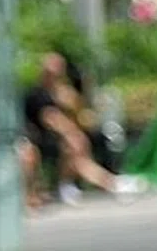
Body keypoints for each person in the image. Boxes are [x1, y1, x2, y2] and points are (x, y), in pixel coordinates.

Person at [20, 52, 121, 207]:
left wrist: (73, 100)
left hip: (60, 140)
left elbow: (81, 114)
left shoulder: (64, 93)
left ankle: (102, 183)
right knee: (72, 145)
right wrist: (71, 134)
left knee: (77, 148)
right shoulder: (38, 94)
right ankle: (108, 183)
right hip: (39, 139)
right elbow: (51, 119)